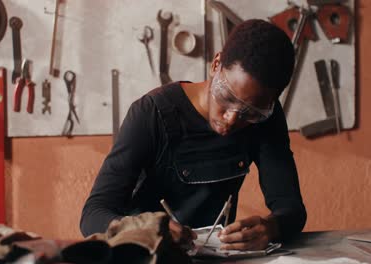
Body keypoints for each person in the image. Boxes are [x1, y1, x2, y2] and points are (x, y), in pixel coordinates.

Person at [80, 19, 306, 251]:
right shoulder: (151, 113)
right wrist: (140, 227)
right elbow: (93, 215)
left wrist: (271, 227)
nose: (230, 120)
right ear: (216, 64)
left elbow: (291, 208)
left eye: (250, 114)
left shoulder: (267, 117)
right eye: (226, 98)